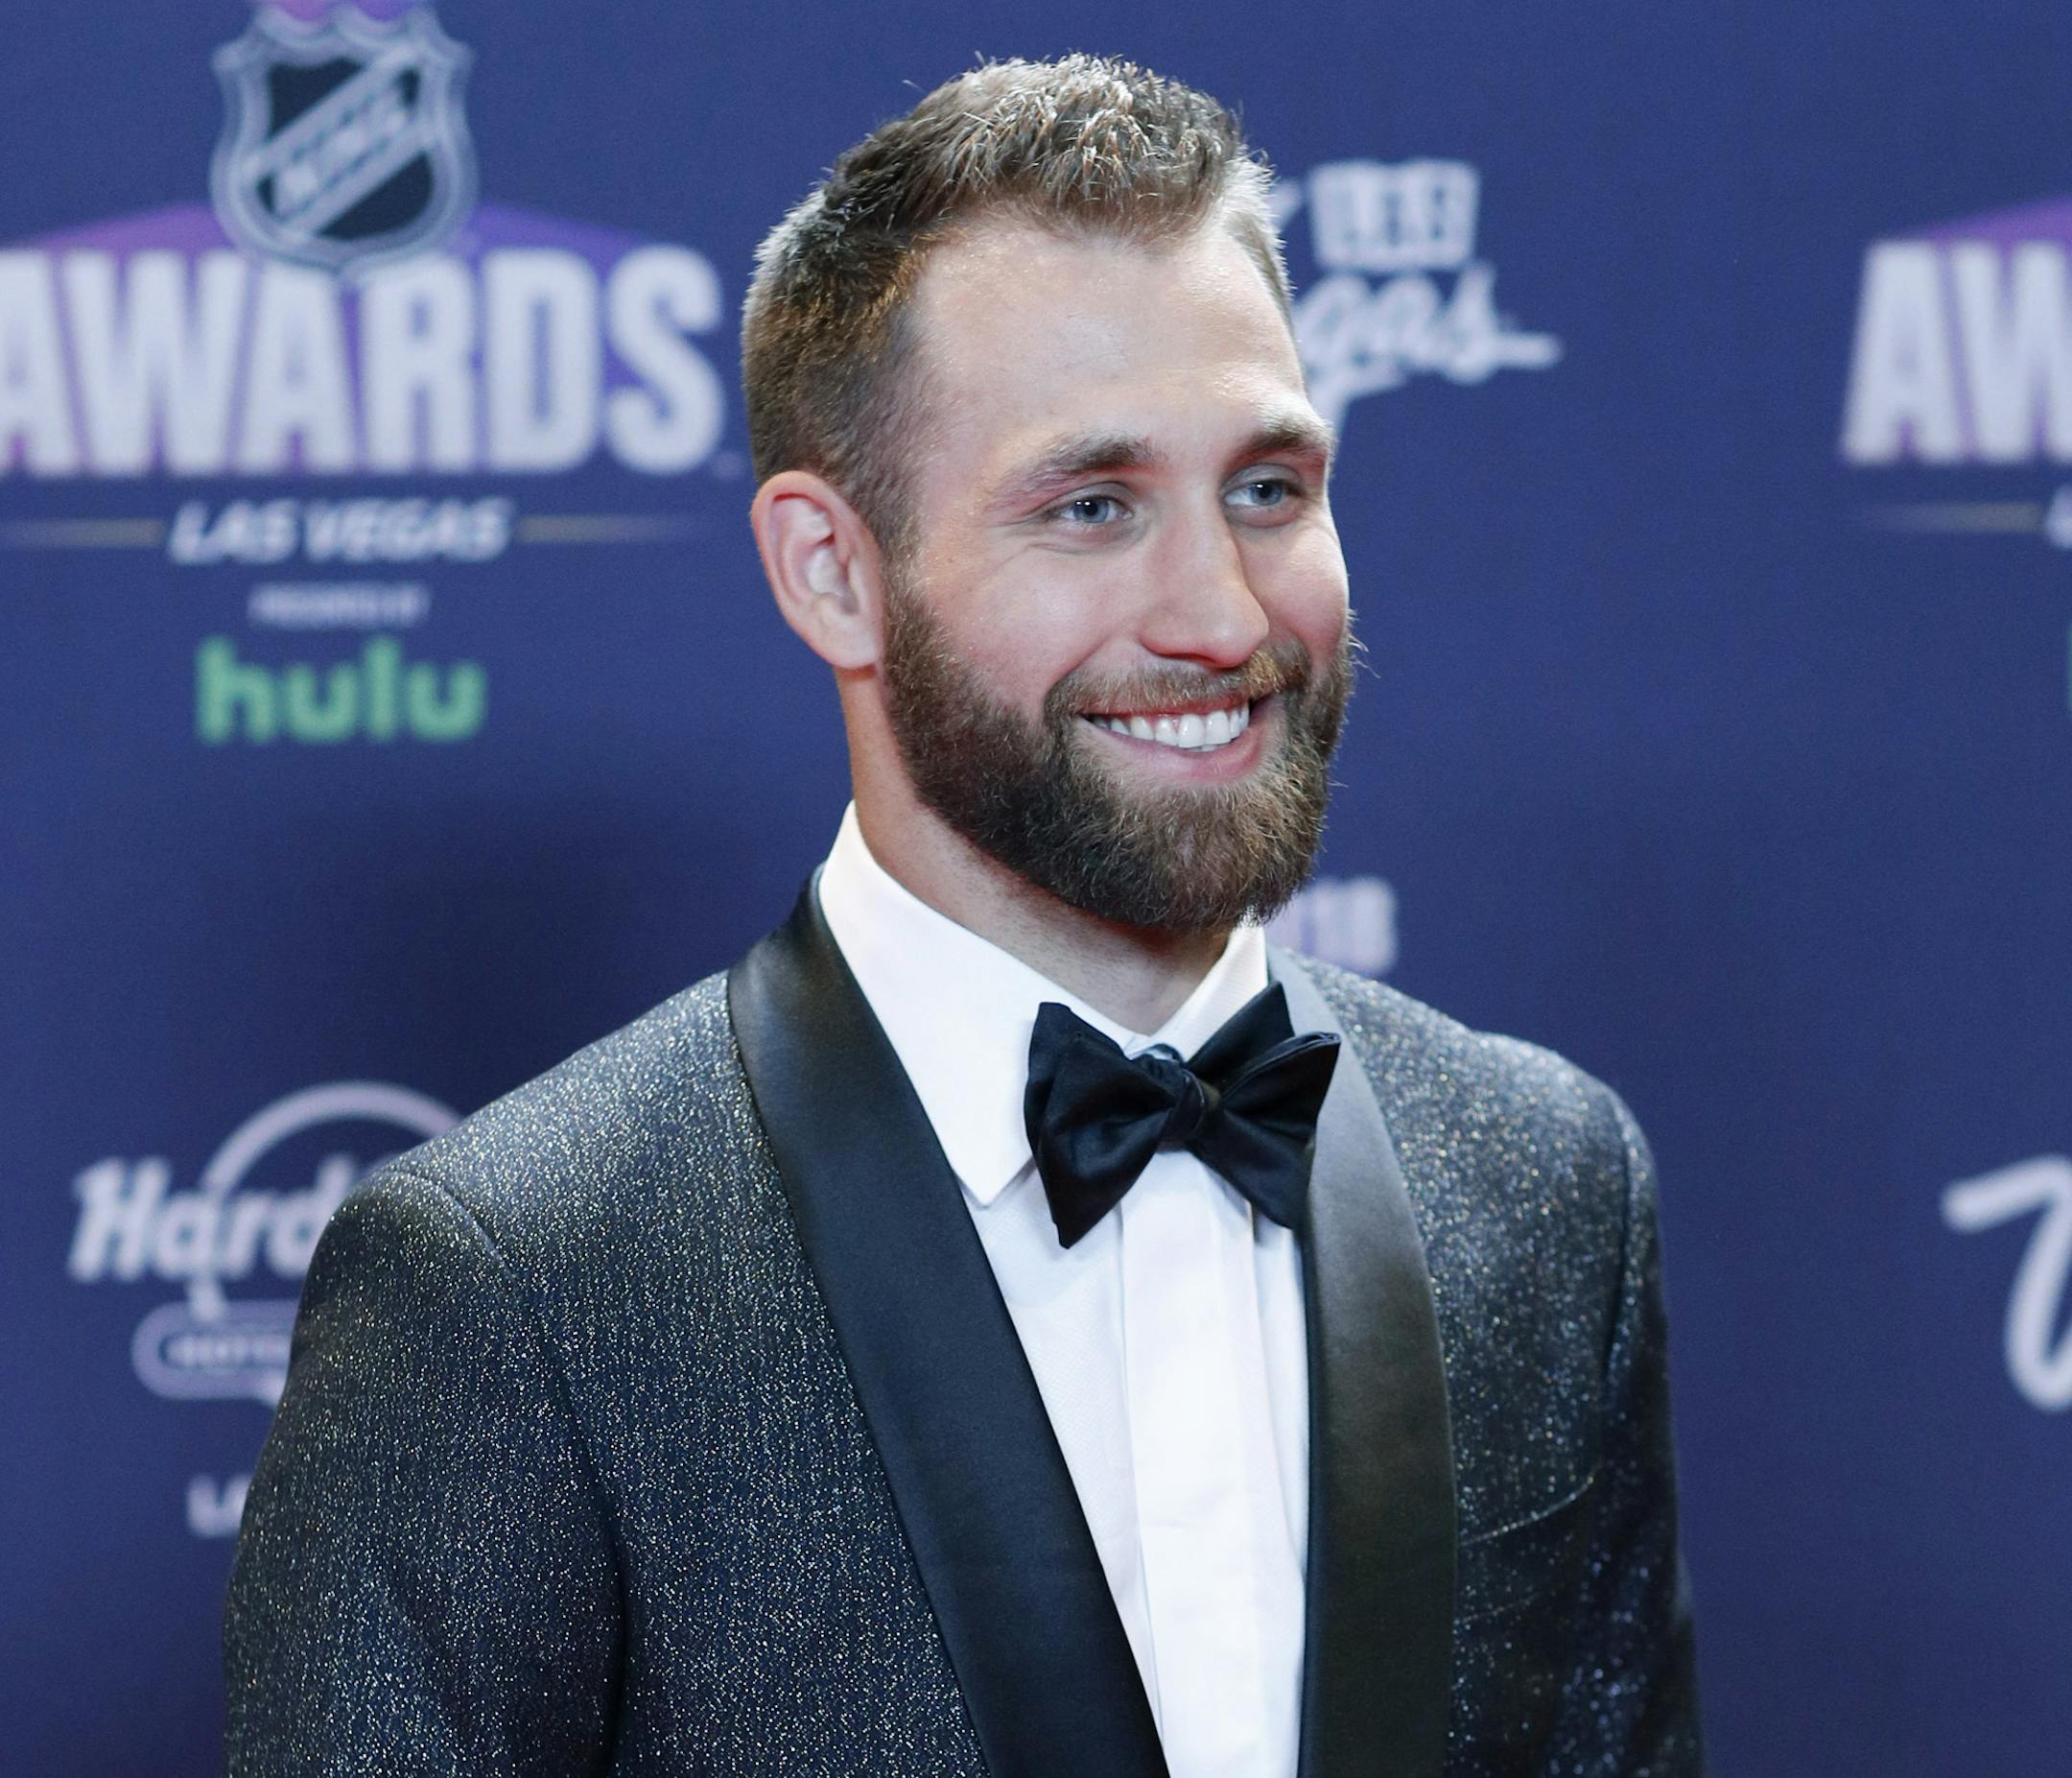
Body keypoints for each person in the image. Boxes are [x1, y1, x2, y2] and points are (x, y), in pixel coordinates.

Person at [224, 55, 1702, 1778]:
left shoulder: (1545, 1181)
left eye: (1269, 488)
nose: (1224, 615)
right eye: (1091, 506)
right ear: (831, 572)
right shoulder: (508, 1291)